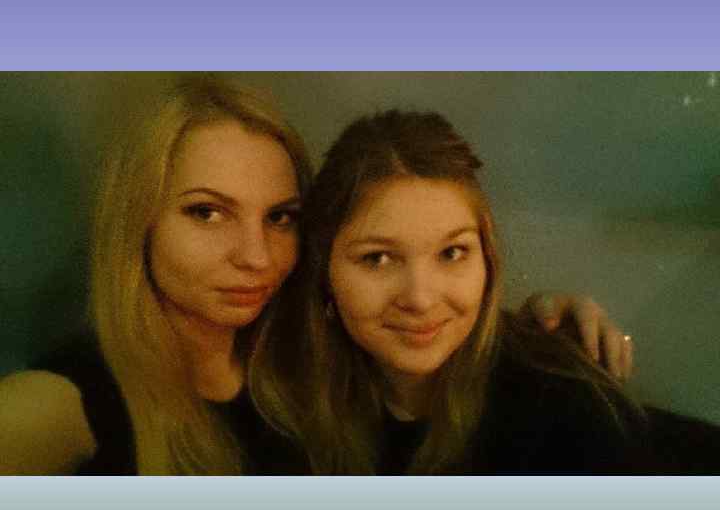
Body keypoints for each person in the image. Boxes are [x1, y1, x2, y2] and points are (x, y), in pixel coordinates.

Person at [0, 76, 634, 475]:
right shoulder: (69, 403)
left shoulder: (306, 356)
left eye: (279, 217)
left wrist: (529, 328)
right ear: (137, 220)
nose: (255, 257)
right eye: (207, 212)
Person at [250, 108, 661, 475]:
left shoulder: (572, 413)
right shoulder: (285, 406)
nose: (420, 299)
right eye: (378, 258)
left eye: (452, 253)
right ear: (324, 271)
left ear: (487, 259)